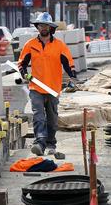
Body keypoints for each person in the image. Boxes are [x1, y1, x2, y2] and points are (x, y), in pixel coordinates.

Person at [18, 12, 77, 156]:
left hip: (53, 88)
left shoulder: (59, 46)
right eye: (40, 25)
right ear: (37, 27)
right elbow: (21, 63)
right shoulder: (30, 45)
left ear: (50, 28)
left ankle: (51, 144)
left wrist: (72, 77)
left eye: (45, 25)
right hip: (36, 87)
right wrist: (24, 74)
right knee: (38, 115)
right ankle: (39, 143)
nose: (43, 28)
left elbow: (69, 63)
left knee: (52, 118)